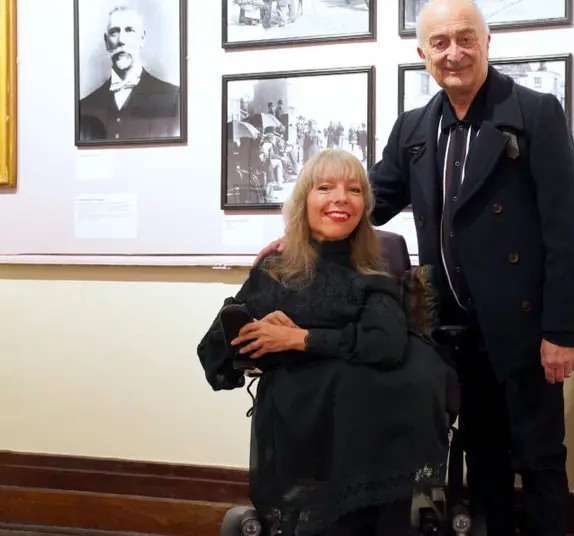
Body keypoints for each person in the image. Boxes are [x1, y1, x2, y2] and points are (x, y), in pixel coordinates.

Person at [253, 0, 574, 533]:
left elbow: (567, 229)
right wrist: (300, 237)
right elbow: (370, 199)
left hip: (525, 327)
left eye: (464, 38)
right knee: (483, 456)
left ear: (486, 43)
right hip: (454, 327)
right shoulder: (414, 128)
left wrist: (561, 329)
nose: (452, 53)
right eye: (439, 43)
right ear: (422, 53)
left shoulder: (535, 113)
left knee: (540, 456)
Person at [198, 148, 455, 536]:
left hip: (377, 422)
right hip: (305, 417)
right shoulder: (274, 271)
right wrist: (255, 326)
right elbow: (217, 350)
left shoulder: (373, 271)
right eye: (325, 187)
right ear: (304, 202)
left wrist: (299, 338)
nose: (340, 198)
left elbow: (384, 343)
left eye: (354, 190)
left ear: (364, 205)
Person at [78, 5, 182, 143]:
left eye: (129, 30)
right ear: (106, 42)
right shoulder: (85, 107)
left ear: (142, 38)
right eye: (114, 31)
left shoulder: (173, 98)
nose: (121, 40)